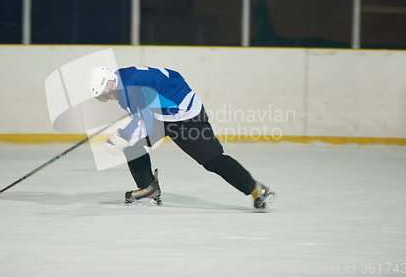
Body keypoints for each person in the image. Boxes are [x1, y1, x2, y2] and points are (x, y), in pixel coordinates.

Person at [87, 66, 276, 210]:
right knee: (132, 142)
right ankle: (148, 189)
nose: (107, 98)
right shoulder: (122, 82)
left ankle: (256, 189)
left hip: (187, 116)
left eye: (106, 94)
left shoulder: (130, 88)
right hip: (162, 115)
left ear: (110, 82)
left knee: (213, 161)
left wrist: (124, 138)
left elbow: (145, 121)